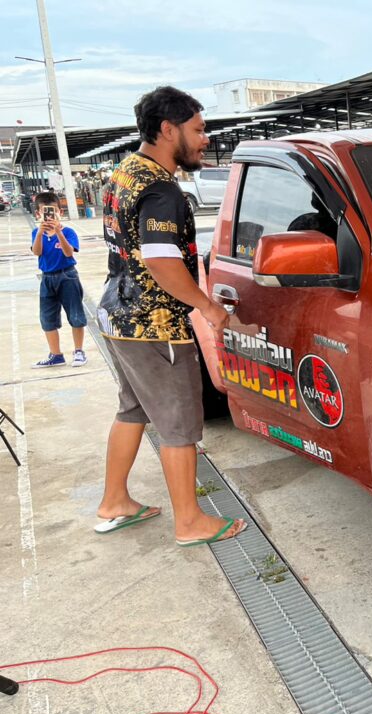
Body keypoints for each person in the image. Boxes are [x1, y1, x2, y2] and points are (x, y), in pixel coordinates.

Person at [95, 85, 246, 546]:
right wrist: (208, 307)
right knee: (179, 423)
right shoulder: (161, 190)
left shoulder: (125, 171)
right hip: (154, 325)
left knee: (133, 408)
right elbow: (162, 262)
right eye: (198, 130)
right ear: (167, 129)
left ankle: (115, 502)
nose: (205, 139)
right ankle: (190, 522)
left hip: (118, 315)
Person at [30, 191, 87, 369]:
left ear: (60, 212)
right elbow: (37, 252)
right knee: (47, 317)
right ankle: (55, 354)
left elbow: (69, 252)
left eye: (53, 211)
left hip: (67, 276)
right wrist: (40, 233)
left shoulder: (68, 232)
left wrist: (58, 232)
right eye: (45, 212)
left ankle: (79, 351)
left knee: (76, 314)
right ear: (38, 214)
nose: (49, 215)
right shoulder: (36, 232)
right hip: (47, 277)